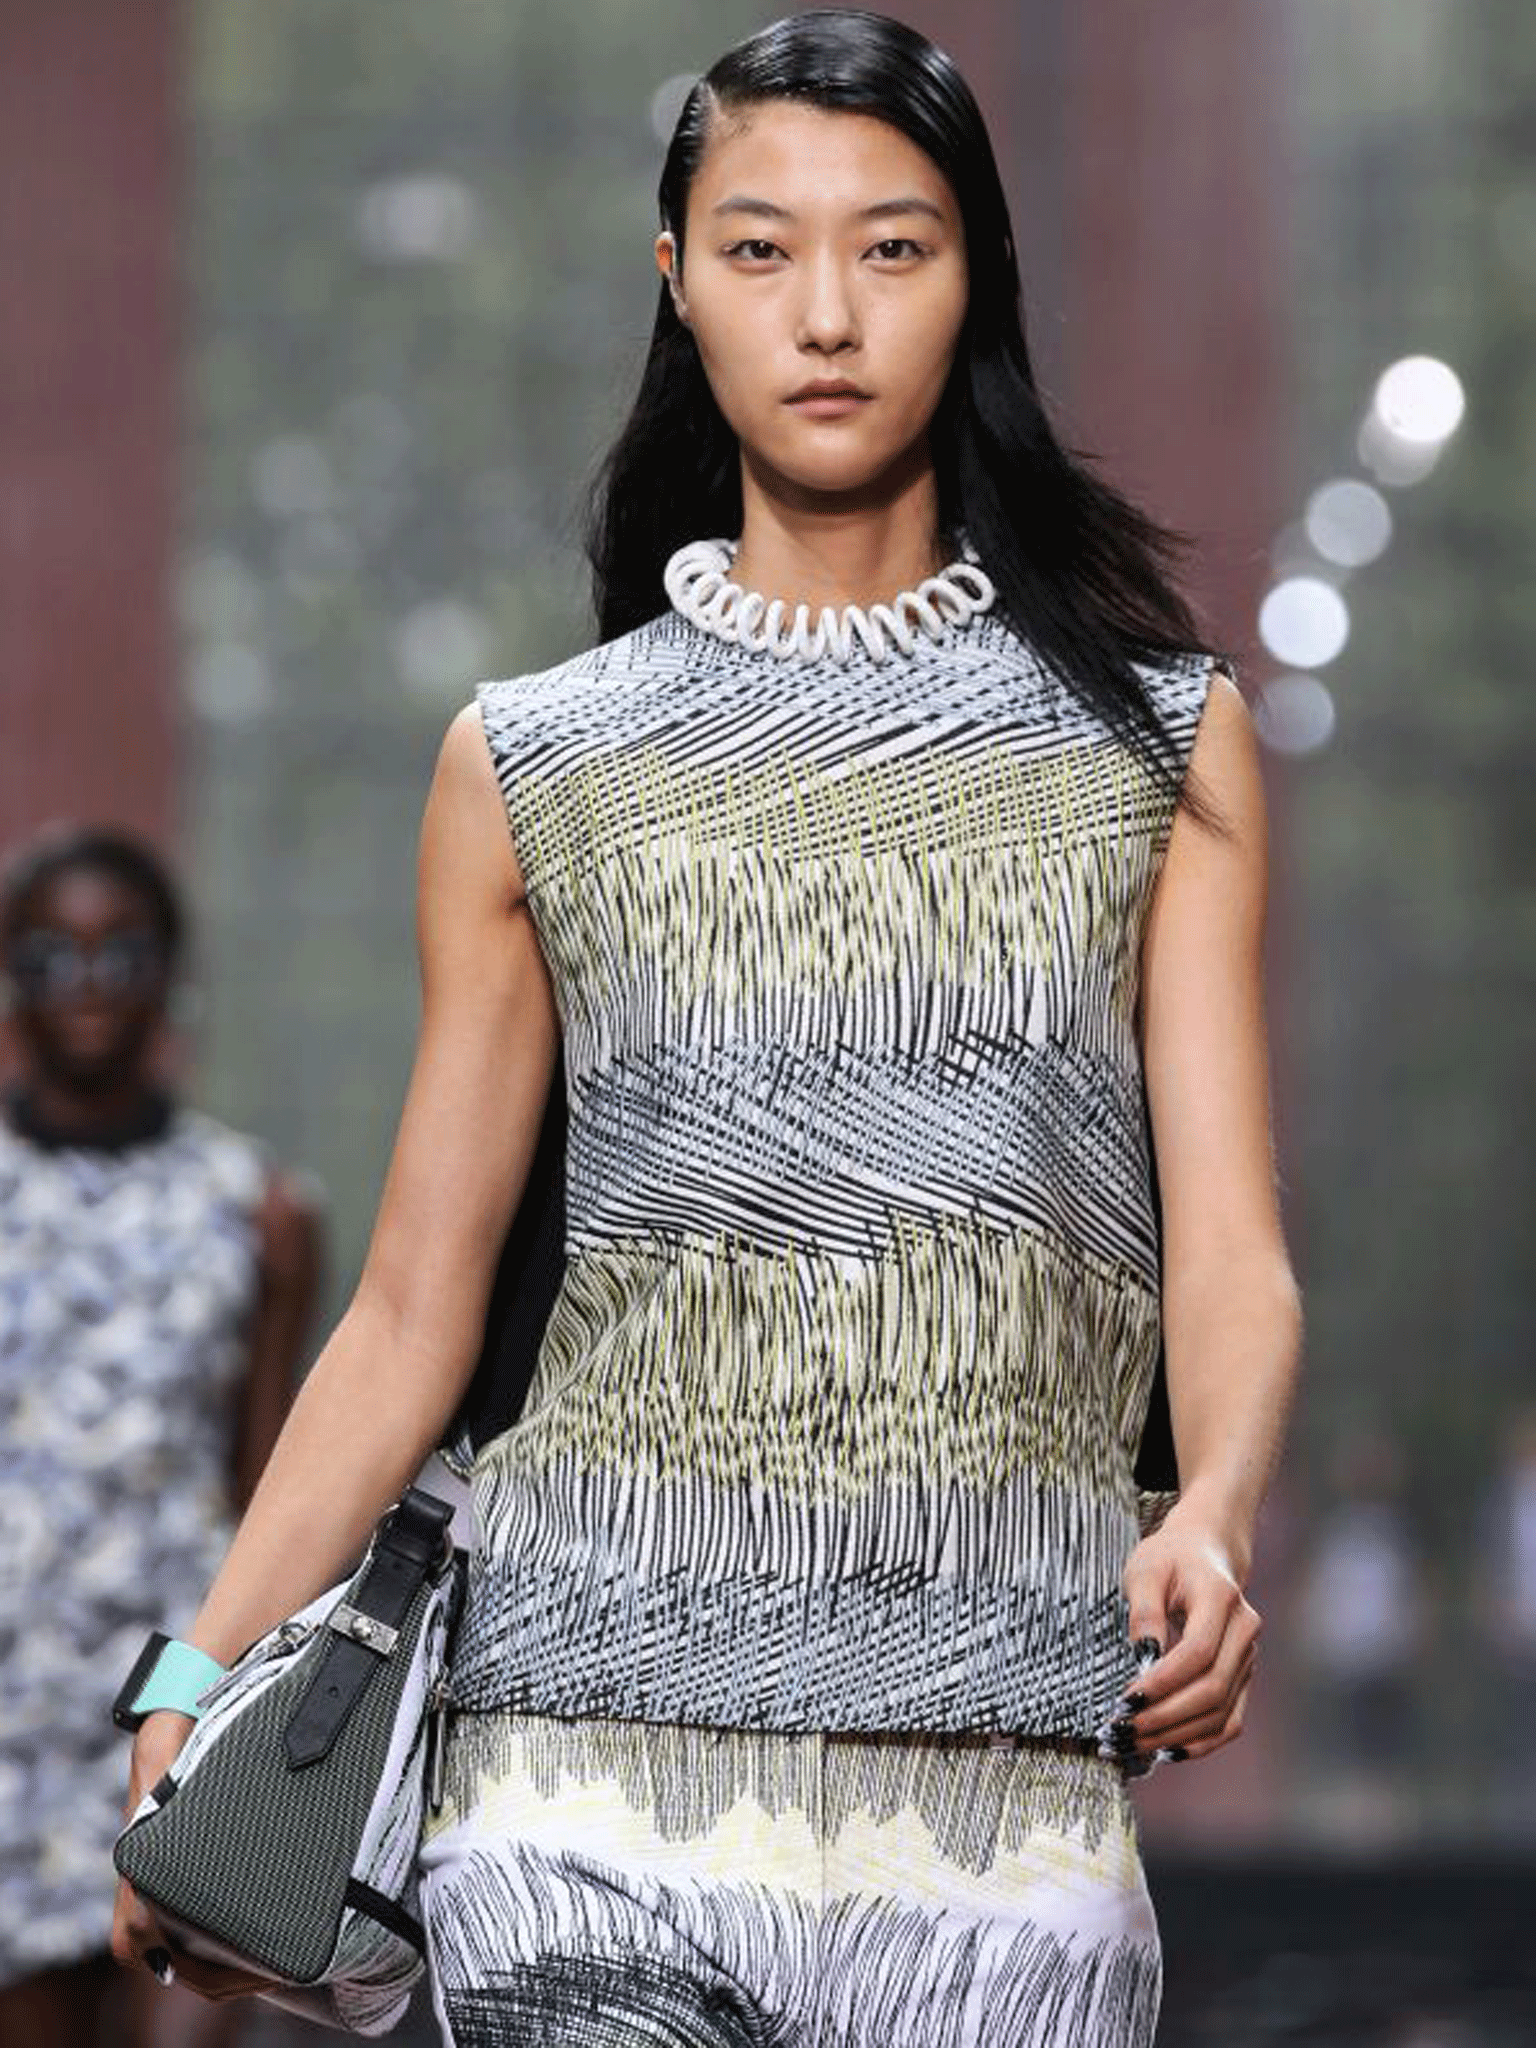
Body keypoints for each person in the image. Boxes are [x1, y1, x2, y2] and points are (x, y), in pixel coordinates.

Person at [113, 14, 1303, 2044]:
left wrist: (1213, 1507)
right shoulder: (534, 763)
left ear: (974, 279)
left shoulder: (1157, 750)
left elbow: (1229, 1243)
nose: (825, 313)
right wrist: (192, 1680)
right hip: (573, 1792)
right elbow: (414, 1303)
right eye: (759, 249)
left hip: (1000, 1817)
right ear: (676, 281)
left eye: (893, 249)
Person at [0, 826, 321, 2048]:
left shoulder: (256, 1209)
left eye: (121, 952)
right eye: (53, 954)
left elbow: (266, 1480)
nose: (89, 986)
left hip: (178, 1704)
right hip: (13, 1719)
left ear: (171, 976)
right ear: (12, 975)